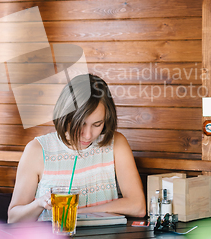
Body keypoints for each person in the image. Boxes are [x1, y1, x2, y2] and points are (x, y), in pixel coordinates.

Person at [8, 74, 146, 223]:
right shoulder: (37, 150)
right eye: (81, 124)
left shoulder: (116, 143)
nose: (87, 135)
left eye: (97, 124)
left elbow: (138, 207)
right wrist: (39, 203)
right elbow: (13, 219)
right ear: (65, 115)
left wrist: (76, 212)